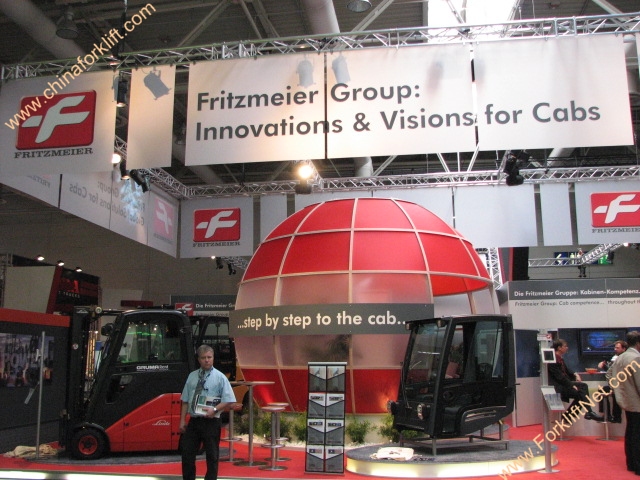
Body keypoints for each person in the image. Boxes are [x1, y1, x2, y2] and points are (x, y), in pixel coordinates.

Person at [180, 344, 236, 480]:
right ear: (198, 359)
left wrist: (215, 409)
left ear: (213, 358)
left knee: (212, 456)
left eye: (209, 357)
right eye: (203, 357)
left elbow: (229, 399)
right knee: (187, 454)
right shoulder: (192, 376)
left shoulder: (220, 377)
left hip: (211, 421)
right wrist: (182, 420)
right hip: (194, 421)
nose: (207, 360)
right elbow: (185, 400)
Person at [547, 338, 604, 421]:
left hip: (564, 385)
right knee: (583, 387)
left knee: (581, 395)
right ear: (559, 348)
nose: (567, 348)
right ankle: (588, 412)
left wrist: (575, 374)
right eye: (565, 346)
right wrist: (571, 385)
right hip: (558, 387)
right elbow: (560, 377)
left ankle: (569, 416)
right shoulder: (553, 360)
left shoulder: (559, 359)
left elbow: (567, 371)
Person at [612, 331, 640, 475]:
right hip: (637, 401)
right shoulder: (636, 358)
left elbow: (610, 376)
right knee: (637, 434)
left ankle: (631, 463)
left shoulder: (620, 358)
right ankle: (638, 465)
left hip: (626, 400)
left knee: (631, 432)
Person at [598, 340, 628, 423]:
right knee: (602, 390)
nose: (615, 349)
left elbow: (615, 371)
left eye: (617, 348)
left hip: (623, 385)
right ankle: (607, 415)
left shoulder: (623, 358)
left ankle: (615, 416)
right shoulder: (615, 357)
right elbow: (611, 371)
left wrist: (604, 366)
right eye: (615, 347)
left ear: (624, 349)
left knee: (614, 391)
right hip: (616, 383)